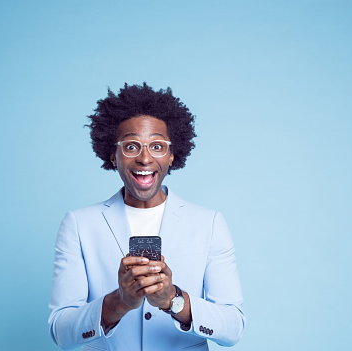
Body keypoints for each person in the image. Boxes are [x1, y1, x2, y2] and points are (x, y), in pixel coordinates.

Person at [48, 83, 245, 351]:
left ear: (172, 156)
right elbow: (61, 331)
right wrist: (119, 302)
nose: (144, 158)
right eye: (131, 146)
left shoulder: (208, 224)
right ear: (113, 156)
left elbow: (233, 327)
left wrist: (174, 300)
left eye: (157, 145)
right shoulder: (80, 225)